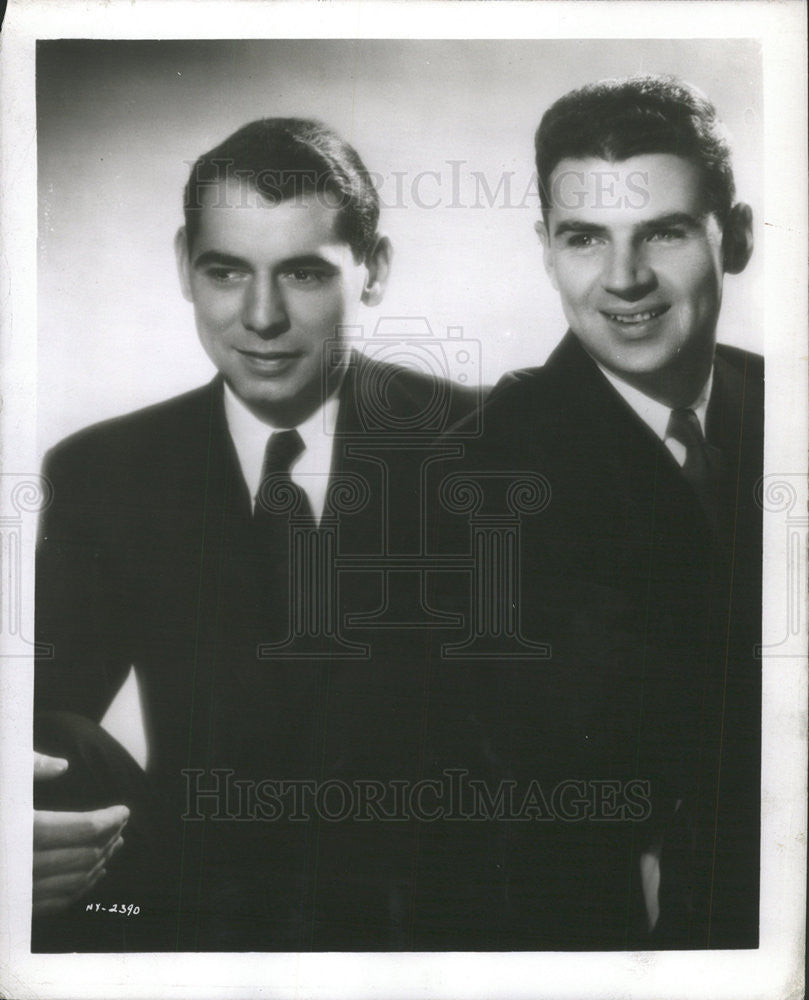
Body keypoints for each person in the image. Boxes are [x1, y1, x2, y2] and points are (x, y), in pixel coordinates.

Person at [32, 118, 488, 951]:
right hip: (197, 924)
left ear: (374, 270)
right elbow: (43, 724)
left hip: (436, 930)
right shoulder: (105, 472)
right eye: (226, 270)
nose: (261, 316)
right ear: (184, 266)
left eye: (305, 273)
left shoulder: (488, 444)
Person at [429, 74, 762, 950]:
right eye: (585, 238)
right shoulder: (480, 472)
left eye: (662, 232)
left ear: (735, 239)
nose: (623, 279)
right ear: (546, 249)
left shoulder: (782, 402)